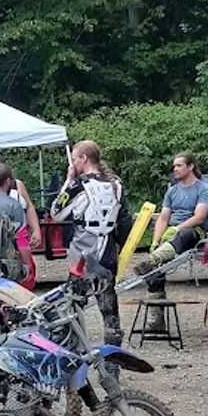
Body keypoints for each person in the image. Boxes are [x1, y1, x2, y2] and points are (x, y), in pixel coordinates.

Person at [50, 139, 127, 345]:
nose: (72, 164)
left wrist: (68, 180)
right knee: (110, 312)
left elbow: (56, 213)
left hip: (82, 257)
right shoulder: (116, 186)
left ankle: (72, 359)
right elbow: (124, 221)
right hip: (107, 255)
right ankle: (112, 367)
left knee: (73, 309)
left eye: (74, 159)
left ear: (83, 159)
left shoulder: (77, 184)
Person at [135, 153, 208, 277]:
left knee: (183, 234)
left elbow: (200, 217)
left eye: (179, 165)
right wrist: (155, 241)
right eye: (174, 166)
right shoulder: (172, 191)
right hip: (172, 231)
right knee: (158, 249)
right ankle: (156, 288)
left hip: (193, 231)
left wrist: (177, 228)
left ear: (190, 166)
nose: (175, 169)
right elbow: (163, 218)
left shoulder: (204, 189)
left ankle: (153, 259)